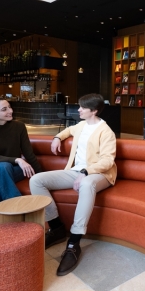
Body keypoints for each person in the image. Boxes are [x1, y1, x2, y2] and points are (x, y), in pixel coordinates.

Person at [29, 93, 117, 276]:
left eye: (82, 107)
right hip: (75, 171)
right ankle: (56, 228)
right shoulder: (82, 125)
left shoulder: (106, 132)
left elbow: (108, 161)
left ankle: (74, 243)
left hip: (99, 174)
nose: (78, 110)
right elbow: (68, 130)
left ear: (93, 111)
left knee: (86, 184)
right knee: (36, 180)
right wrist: (56, 137)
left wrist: (86, 172)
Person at [0, 98, 42, 225]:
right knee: (0, 169)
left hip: (16, 170)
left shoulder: (19, 127)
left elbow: (28, 153)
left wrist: (40, 175)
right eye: (4, 109)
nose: (10, 111)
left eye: (10, 107)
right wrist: (17, 159)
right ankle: (18, 208)